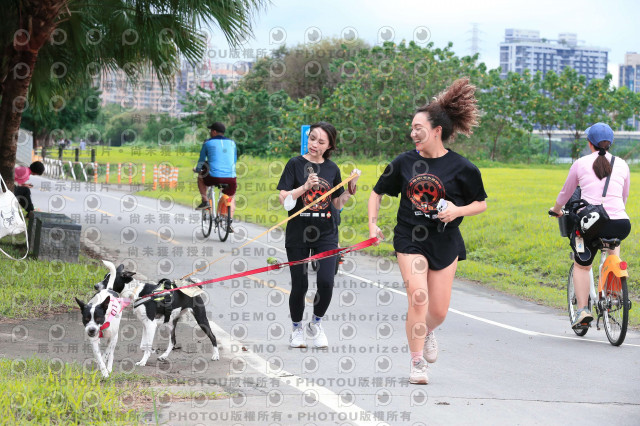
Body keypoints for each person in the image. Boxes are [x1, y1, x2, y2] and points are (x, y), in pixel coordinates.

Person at [367, 78, 487, 384]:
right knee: (418, 299)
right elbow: (377, 192)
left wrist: (457, 211)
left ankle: (428, 330)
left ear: (437, 131)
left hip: (445, 240)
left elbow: (480, 204)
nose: (412, 133)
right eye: (411, 128)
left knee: (439, 311)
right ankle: (417, 362)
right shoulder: (404, 162)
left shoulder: (463, 167)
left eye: (418, 128)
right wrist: (372, 223)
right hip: (409, 238)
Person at [277, 121, 360, 349]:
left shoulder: (332, 169)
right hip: (298, 233)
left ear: (329, 146)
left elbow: (337, 203)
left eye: (321, 141)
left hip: (326, 233)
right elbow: (284, 199)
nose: (314, 144)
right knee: (300, 284)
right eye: (312, 138)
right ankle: (296, 329)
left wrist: (350, 188)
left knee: (326, 282)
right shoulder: (294, 164)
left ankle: (316, 323)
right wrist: (304, 187)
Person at [550, 122, 631, 328]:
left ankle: (583, 311)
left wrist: (556, 209)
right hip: (621, 222)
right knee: (613, 246)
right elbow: (624, 196)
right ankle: (613, 291)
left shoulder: (580, 163)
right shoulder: (622, 164)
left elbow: (566, 193)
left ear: (589, 143)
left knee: (582, 265)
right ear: (610, 143)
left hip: (592, 223)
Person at [194, 122, 237, 232]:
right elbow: (234, 160)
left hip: (214, 177)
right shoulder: (232, 143)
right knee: (231, 197)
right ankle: (228, 220)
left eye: (210, 131)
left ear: (213, 132)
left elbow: (202, 160)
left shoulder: (208, 142)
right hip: (231, 178)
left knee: (200, 176)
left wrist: (198, 169)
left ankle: (205, 201)